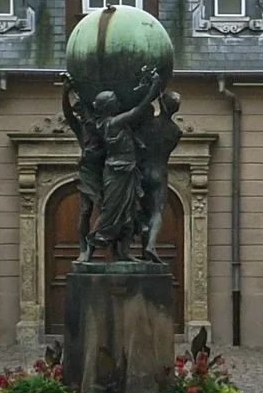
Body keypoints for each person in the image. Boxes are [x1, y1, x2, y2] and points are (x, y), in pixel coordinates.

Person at [89, 65, 164, 259]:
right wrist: (155, 86)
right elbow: (139, 110)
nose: (118, 102)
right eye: (114, 101)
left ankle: (124, 252)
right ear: (108, 107)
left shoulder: (106, 122)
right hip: (117, 171)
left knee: (129, 212)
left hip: (128, 171)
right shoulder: (113, 123)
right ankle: (90, 247)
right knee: (111, 211)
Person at [60, 77, 103, 264]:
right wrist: (65, 93)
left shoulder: (103, 127)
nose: (84, 115)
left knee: (107, 212)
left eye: (86, 111)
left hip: (104, 172)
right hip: (88, 172)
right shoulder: (82, 129)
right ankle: (84, 248)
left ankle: (98, 245)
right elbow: (68, 114)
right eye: (82, 112)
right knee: (85, 211)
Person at [137, 91, 183, 262]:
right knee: (156, 212)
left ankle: (143, 249)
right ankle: (150, 246)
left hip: (142, 171)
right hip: (160, 172)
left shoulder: (148, 124)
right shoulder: (175, 132)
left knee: (143, 211)